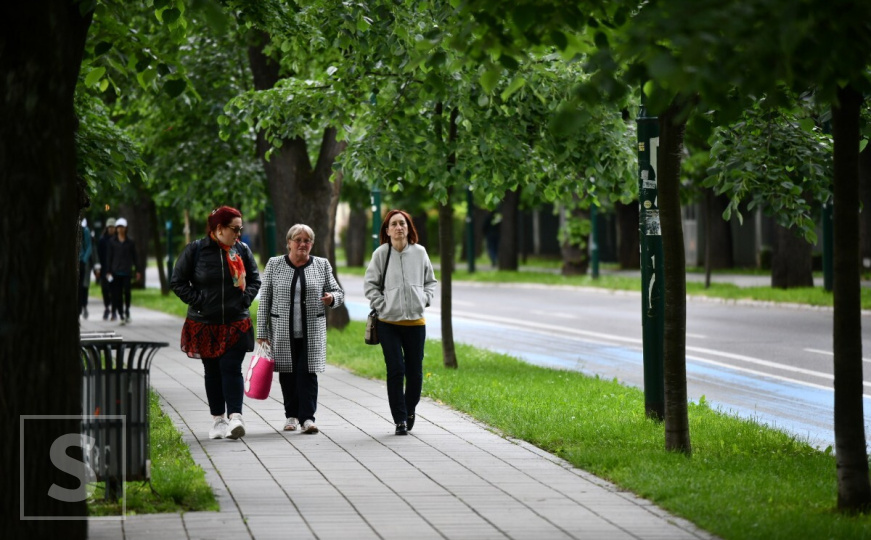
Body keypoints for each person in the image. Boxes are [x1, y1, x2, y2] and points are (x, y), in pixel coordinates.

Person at [170, 206, 261, 440]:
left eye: (240, 229)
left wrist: (245, 299)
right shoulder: (196, 250)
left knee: (231, 368)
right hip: (204, 322)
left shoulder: (242, 250)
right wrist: (199, 301)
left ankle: (236, 417)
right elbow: (178, 281)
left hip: (235, 322)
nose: (238, 234)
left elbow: (254, 279)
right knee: (212, 372)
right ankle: (218, 420)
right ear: (219, 229)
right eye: (235, 229)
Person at [256, 224, 344, 435]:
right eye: (298, 239)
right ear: (289, 243)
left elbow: (338, 292)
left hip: (311, 331)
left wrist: (332, 298)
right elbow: (265, 299)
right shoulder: (275, 264)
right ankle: (291, 416)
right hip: (282, 331)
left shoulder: (321, 265)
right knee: (288, 374)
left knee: (307, 373)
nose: (302, 244)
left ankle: (308, 418)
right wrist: (262, 332)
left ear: (312, 244)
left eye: (307, 240)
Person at [364, 209, 437, 435]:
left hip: (415, 323)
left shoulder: (420, 252)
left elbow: (430, 282)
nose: (398, 228)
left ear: (408, 227)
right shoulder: (380, 254)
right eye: (394, 224)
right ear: (387, 230)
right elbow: (370, 285)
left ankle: (409, 409)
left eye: (402, 223)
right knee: (396, 369)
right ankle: (400, 420)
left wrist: (424, 299)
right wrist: (383, 305)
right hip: (388, 323)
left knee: (414, 371)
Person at [105, 217, 140, 325]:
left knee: (127, 292)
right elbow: (109, 257)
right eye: (118, 227)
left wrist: (138, 270)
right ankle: (121, 314)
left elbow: (135, 257)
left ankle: (127, 310)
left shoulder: (130, 242)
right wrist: (108, 271)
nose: (120, 229)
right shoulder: (112, 242)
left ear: (126, 228)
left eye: (122, 227)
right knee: (118, 294)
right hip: (115, 272)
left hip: (126, 271)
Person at [96, 217, 117, 320]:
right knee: (105, 289)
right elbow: (99, 255)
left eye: (113, 227)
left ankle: (113, 310)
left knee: (114, 290)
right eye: (110, 227)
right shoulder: (102, 240)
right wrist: (98, 268)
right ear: (107, 228)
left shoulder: (117, 239)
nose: (111, 229)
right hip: (105, 269)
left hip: (114, 269)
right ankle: (107, 307)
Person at [78, 218, 94, 319]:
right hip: (74, 262)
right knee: (77, 287)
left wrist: (83, 260)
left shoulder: (85, 231)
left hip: (83, 262)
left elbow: (89, 247)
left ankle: (84, 306)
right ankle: (78, 308)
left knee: (84, 286)